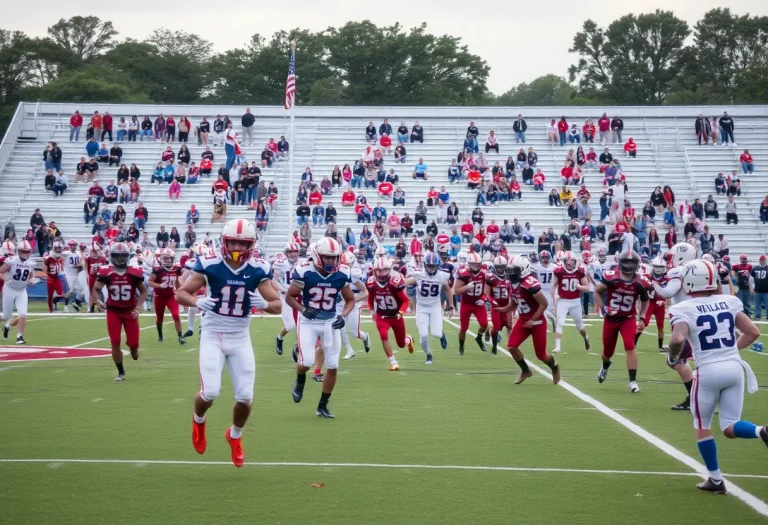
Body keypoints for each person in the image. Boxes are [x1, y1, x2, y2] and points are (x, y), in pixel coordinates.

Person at [176, 219, 280, 466]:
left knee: (245, 396)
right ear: (224, 242)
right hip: (213, 334)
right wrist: (197, 302)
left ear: (251, 245)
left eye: (242, 243)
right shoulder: (210, 264)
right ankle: (199, 420)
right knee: (210, 391)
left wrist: (264, 304)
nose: (236, 247)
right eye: (232, 241)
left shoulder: (258, 269)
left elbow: (277, 305)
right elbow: (181, 293)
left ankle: (234, 436)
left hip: (240, 336)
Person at [667, 258, 766, 494]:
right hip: (734, 367)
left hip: (708, 371)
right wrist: (729, 351)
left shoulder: (682, 308)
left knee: (702, 425)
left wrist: (672, 359)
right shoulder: (730, 301)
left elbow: (678, 339)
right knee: (730, 426)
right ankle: (761, 431)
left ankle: (715, 479)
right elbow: (753, 332)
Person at [286, 237, 356, 418]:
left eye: (334, 257)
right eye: (327, 257)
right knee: (307, 362)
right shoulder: (305, 271)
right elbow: (289, 297)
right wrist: (302, 309)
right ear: (317, 256)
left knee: (332, 365)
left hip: (330, 322)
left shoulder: (342, 272)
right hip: (309, 321)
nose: (331, 261)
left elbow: (350, 299)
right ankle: (300, 379)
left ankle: (322, 406)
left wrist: (343, 316)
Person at [495, 256, 561, 384]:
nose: (511, 273)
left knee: (541, 355)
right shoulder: (511, 284)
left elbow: (544, 304)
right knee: (512, 347)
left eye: (515, 270)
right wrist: (503, 309)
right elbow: (514, 302)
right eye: (510, 270)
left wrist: (533, 319)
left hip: (537, 322)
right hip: (523, 321)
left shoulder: (529, 284)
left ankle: (554, 367)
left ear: (524, 270)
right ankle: (525, 370)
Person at [594, 250, 649, 393]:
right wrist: (603, 308)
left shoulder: (640, 282)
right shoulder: (612, 277)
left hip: (628, 318)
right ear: (620, 262)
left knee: (630, 346)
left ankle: (633, 381)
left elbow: (645, 300)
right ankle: (605, 366)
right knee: (607, 352)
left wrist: (642, 316)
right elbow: (597, 291)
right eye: (626, 261)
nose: (629, 265)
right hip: (611, 319)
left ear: (637, 264)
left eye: (632, 262)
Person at [92, 243, 148, 380]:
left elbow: (143, 291)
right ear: (112, 257)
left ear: (128, 257)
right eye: (118, 256)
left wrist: (138, 307)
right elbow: (95, 288)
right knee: (115, 341)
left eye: (123, 256)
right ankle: (121, 372)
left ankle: (133, 349)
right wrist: (97, 300)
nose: (121, 259)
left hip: (130, 311)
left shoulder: (134, 272)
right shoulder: (107, 272)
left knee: (134, 346)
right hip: (113, 311)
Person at [366, 257, 415, 371]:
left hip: (396, 315)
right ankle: (393, 362)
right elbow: (370, 299)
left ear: (390, 270)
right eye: (379, 270)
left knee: (401, 344)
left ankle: (409, 339)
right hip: (382, 315)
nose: (382, 273)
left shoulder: (394, 283)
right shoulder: (371, 283)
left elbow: (406, 301)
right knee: (383, 336)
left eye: (384, 270)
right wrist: (372, 311)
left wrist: (401, 312)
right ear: (374, 270)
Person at [550, 251, 591, 354]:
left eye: (571, 260)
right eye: (567, 260)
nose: (569, 263)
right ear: (563, 261)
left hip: (575, 301)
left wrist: (580, 287)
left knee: (579, 326)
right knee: (560, 322)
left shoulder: (580, 271)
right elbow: (553, 286)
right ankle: (557, 347)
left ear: (575, 261)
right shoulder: (558, 271)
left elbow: (587, 288)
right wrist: (554, 296)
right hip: (563, 300)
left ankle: (586, 337)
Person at [148, 248, 186, 345]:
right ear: (161, 259)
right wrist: (159, 285)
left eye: (170, 258)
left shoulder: (176, 268)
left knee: (176, 315)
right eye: (166, 258)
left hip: (170, 295)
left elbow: (177, 280)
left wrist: (179, 290)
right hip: (159, 296)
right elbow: (150, 282)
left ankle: (180, 337)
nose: (168, 260)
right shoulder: (158, 269)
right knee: (159, 318)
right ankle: (160, 335)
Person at [453, 252, 489, 355]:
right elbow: (456, 291)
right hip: (466, 304)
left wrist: (483, 298)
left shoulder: (483, 273)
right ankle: (461, 347)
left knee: (484, 324)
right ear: (469, 263)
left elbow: (486, 290)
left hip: (478, 304)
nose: (476, 266)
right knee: (464, 328)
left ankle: (479, 337)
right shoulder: (463, 273)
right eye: (474, 264)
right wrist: (467, 287)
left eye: (478, 264)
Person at [0, 240, 34, 344]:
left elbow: (31, 274)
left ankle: (19, 336)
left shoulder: (32, 262)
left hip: (21, 291)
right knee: (6, 316)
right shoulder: (11, 260)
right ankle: (6, 326)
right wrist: (6, 279)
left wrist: (30, 280)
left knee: (23, 314)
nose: (24, 253)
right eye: (22, 251)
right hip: (9, 289)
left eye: (26, 251)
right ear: (18, 251)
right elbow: (0, 272)